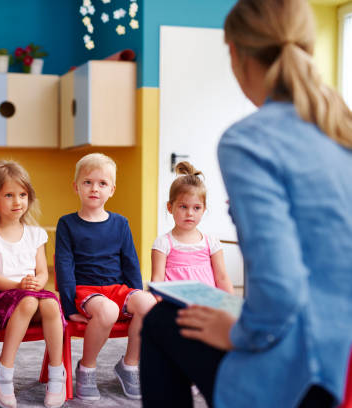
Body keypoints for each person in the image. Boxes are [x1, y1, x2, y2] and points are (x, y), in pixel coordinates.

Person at [140, 0, 352, 407]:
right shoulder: (340, 127)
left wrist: (238, 332)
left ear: (236, 54)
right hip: (346, 356)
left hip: (311, 371)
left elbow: (281, 288)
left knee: (162, 321)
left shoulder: (248, 141)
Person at [55, 153, 157, 401]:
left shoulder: (121, 223)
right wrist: (68, 308)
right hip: (86, 291)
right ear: (76, 186)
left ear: (111, 189)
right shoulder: (67, 224)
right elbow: (64, 268)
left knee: (149, 304)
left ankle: (129, 365)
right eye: (88, 182)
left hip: (117, 289)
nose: (94, 189)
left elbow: (131, 264)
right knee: (109, 311)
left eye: (102, 184)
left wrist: (136, 295)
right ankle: (87, 368)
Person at [0, 160, 67, 408]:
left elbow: (42, 271)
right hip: (0, 298)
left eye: (23, 195)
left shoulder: (36, 234)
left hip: (30, 296)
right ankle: (4, 368)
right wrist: (18, 285)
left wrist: (37, 282)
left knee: (50, 305)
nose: (18, 202)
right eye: (9, 195)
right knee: (27, 301)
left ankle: (57, 372)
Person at [151, 161, 233, 293]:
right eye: (183, 206)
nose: (190, 213)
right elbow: (157, 280)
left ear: (204, 209)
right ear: (170, 207)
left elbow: (222, 278)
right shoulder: (163, 243)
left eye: (197, 208)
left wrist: (232, 307)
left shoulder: (211, 243)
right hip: (175, 306)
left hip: (206, 305)